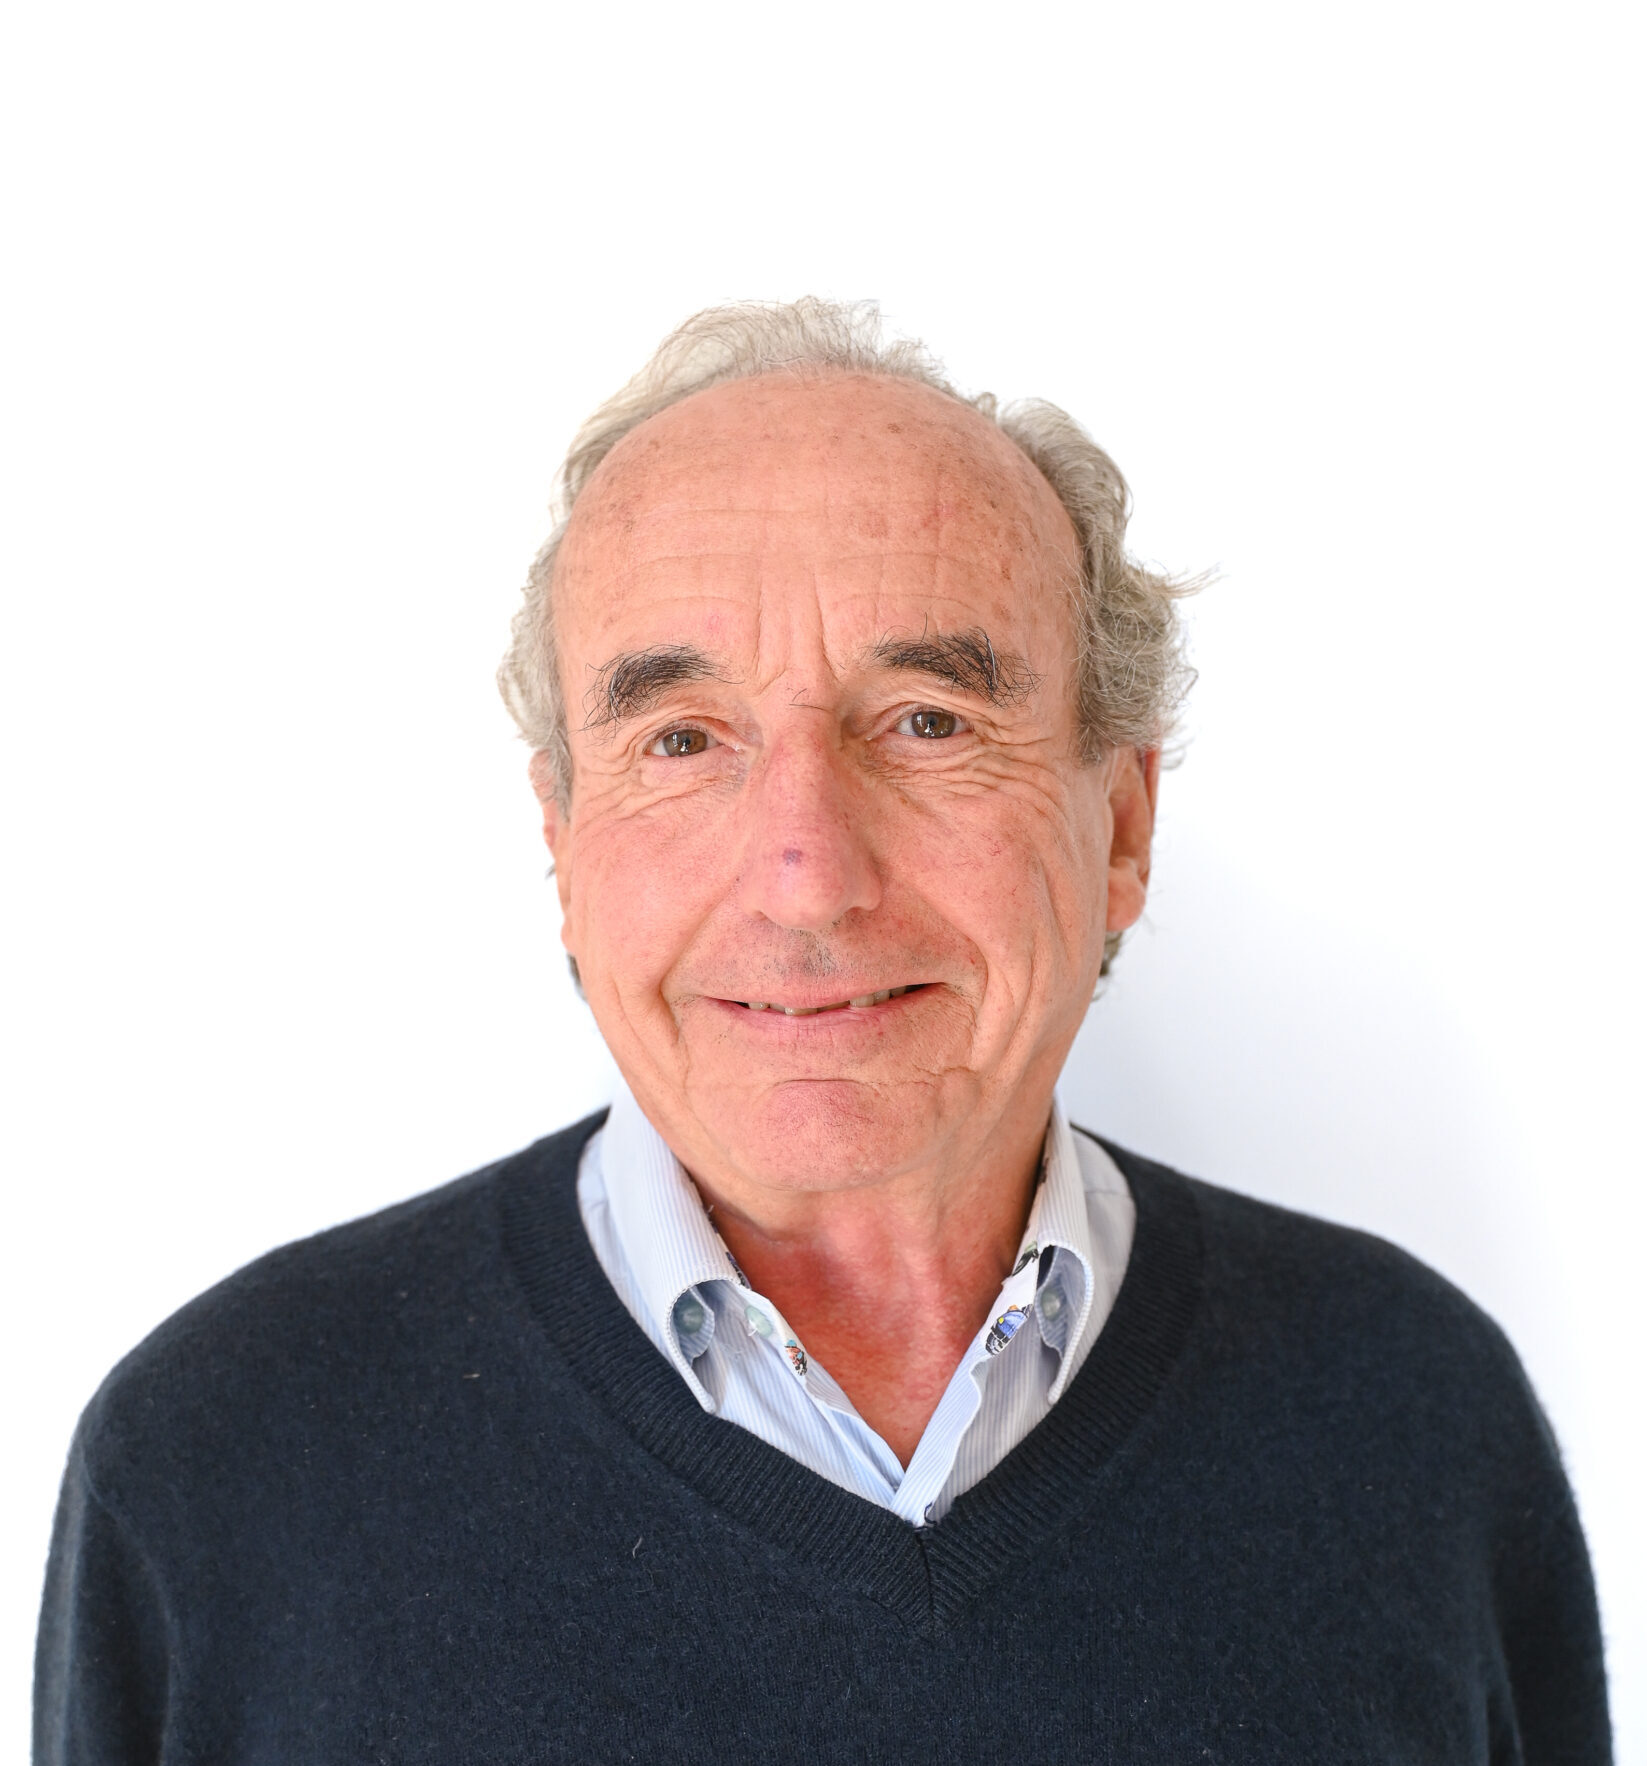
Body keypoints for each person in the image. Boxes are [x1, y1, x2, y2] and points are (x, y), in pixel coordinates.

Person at [35, 300, 1610, 1763]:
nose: (806, 874)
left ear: (1122, 823)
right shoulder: (215, 1466)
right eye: (681, 738)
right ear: (565, 842)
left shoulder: (1415, 1419)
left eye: (926, 721)